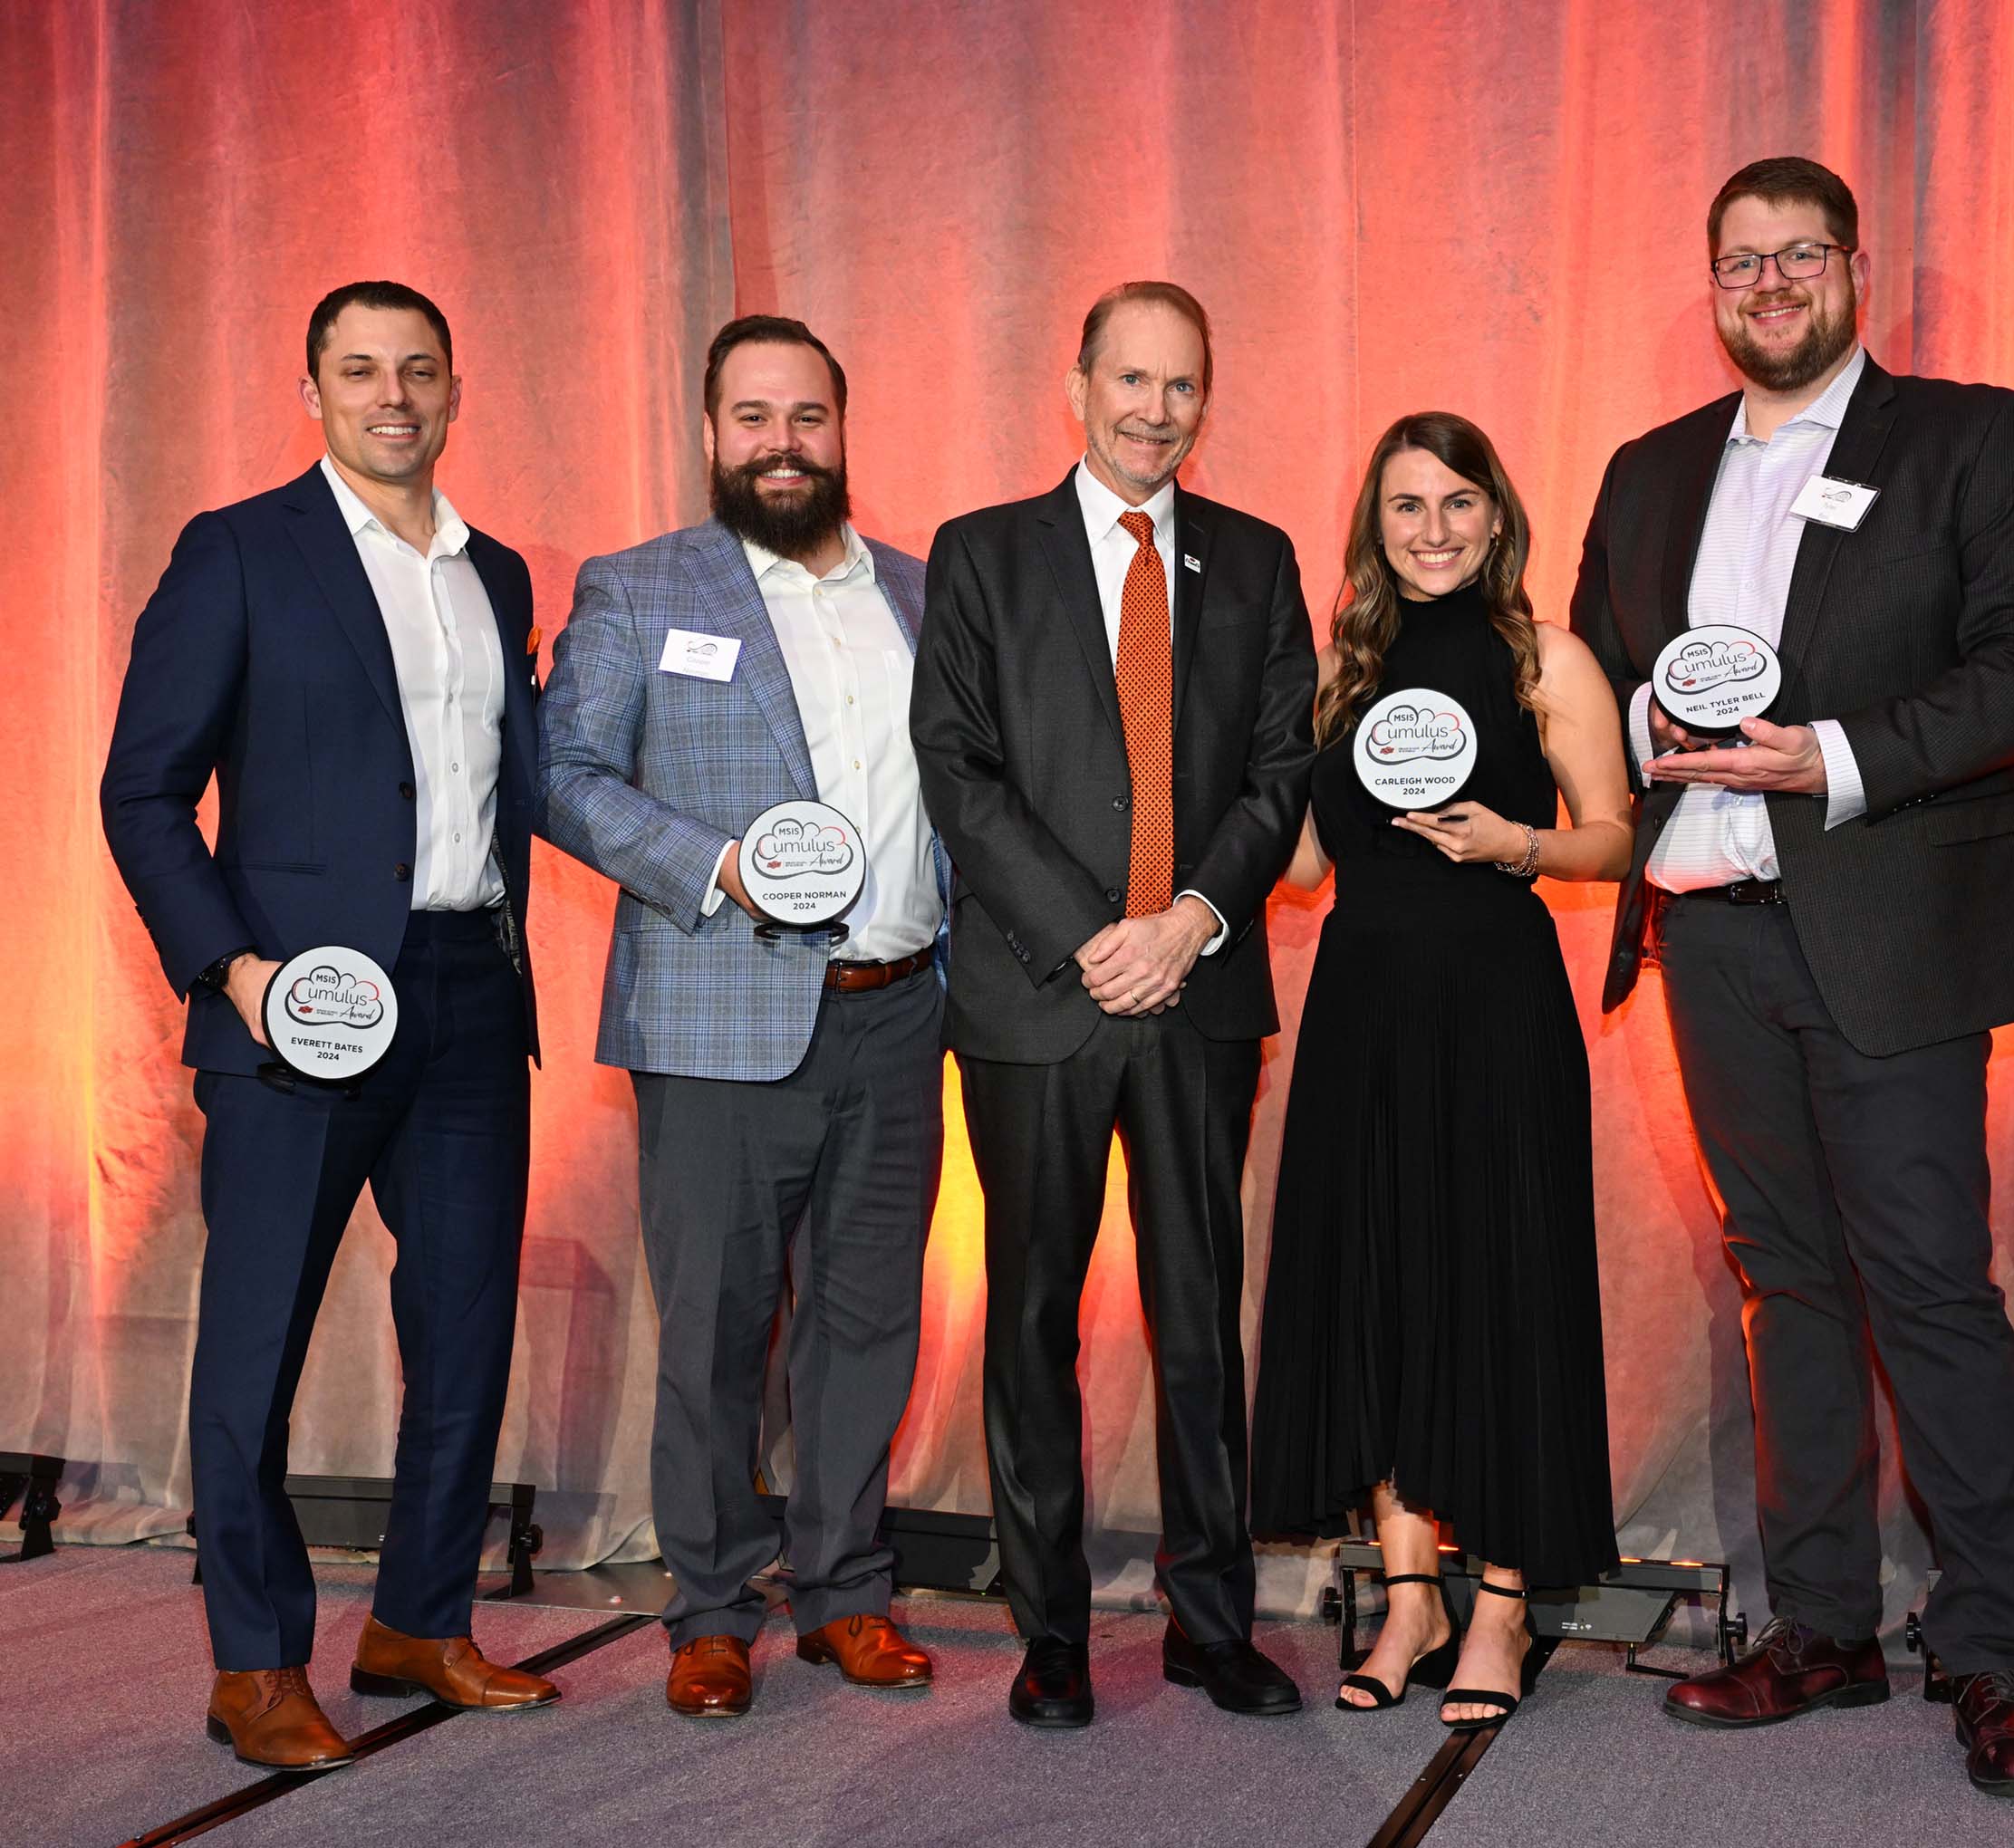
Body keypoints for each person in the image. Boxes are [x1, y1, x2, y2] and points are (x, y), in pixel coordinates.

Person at [1574, 157, 2014, 1799]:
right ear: (1709, 284)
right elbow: (1589, 672)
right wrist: (1614, 742)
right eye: (1740, 262)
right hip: (1709, 929)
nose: (1769, 284)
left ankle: (1993, 1659)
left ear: (1853, 270)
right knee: (1782, 1285)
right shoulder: (1648, 470)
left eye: (1799, 256)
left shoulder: (1968, 436)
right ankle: (1819, 1628)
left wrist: (1837, 758)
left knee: (1930, 1291)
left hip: (1890, 927)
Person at [101, 282, 555, 1769]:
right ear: (311, 390)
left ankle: (419, 1621)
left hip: (471, 1004)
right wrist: (235, 975)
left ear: (454, 388)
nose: (391, 395)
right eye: (358, 370)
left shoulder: (497, 575)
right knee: (253, 1352)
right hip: (291, 1013)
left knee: (467, 1333)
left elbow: (507, 792)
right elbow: (143, 793)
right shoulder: (239, 552)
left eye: (417, 369)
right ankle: (256, 1662)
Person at [911, 282, 1316, 1728]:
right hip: (1040, 1002)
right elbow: (956, 768)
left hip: (1196, 1000)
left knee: (1202, 1316)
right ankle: (1053, 1635)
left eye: (1183, 385)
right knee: (1029, 1319)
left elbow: (1282, 772)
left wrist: (1193, 920)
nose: (1156, 410)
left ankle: (1213, 1624)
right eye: (1131, 380)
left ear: (1209, 399)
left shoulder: (1258, 563)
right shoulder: (982, 555)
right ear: (1074, 386)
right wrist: (1096, 939)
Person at [539, 315, 945, 1721]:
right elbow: (566, 774)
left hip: (899, 1013)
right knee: (714, 1327)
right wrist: (714, 871)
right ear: (710, 433)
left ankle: (846, 1593)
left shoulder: (919, 592)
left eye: (808, 417)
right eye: (753, 417)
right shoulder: (642, 588)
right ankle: (709, 1607)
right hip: (717, 1014)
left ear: (843, 428)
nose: (783, 443)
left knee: (866, 1321)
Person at [1250, 412, 1633, 1730]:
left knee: (1497, 1285)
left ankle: (1503, 1610)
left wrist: (1516, 843)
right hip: (1362, 1008)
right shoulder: (1336, 670)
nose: (1432, 530)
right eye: (1405, 506)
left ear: (1495, 515)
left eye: (1455, 503)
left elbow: (1614, 839)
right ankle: (1409, 1599)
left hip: (1497, 1006)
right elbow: (1300, 865)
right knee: (1382, 1286)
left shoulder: (1547, 655)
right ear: (1373, 527)